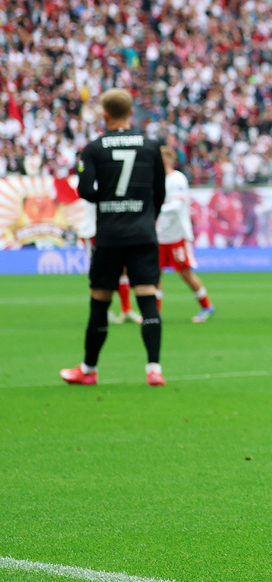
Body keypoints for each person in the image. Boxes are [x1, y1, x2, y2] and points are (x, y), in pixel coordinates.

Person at [61, 89, 167, 387]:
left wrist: (109, 199)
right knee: (148, 300)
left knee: (99, 302)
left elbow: (85, 191)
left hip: (110, 236)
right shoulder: (150, 146)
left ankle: (89, 369)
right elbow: (160, 192)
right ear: (130, 112)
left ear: (104, 114)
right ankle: (154, 369)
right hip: (143, 233)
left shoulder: (94, 148)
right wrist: (146, 216)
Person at [156, 144, 215, 322]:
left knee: (185, 273)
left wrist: (155, 210)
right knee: (154, 274)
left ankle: (206, 306)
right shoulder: (156, 179)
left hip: (177, 235)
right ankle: (155, 314)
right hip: (159, 235)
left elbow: (177, 205)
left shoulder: (177, 179)